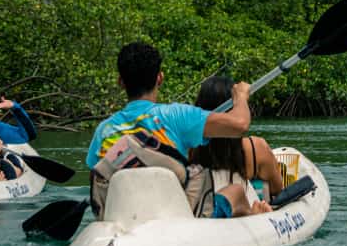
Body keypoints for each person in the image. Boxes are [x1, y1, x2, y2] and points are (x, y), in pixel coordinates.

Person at [85, 42, 258, 220]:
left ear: (120, 81)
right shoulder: (177, 116)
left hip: (122, 217)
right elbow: (240, 125)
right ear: (160, 78)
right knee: (235, 191)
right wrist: (241, 97)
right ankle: (256, 213)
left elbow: (96, 181)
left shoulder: (103, 131)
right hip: (171, 219)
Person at [189, 76, 285, 216]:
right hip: (236, 218)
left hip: (201, 214)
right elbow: (277, 190)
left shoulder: (186, 147)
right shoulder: (256, 148)